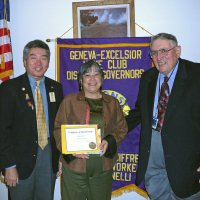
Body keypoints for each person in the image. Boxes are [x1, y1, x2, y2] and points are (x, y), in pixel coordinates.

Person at [126, 33, 200, 200]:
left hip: (185, 155)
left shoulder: (196, 74)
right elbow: (139, 112)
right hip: (153, 152)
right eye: (154, 52)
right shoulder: (148, 77)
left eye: (164, 50)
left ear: (178, 51)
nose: (158, 57)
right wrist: (111, 127)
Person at [54, 60, 128, 200]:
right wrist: (70, 149)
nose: (92, 79)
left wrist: (109, 140)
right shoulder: (69, 101)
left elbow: (122, 128)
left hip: (103, 167)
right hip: (74, 166)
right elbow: (58, 129)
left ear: (102, 78)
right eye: (87, 75)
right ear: (81, 80)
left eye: (96, 74)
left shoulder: (112, 102)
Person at [0, 39, 63, 200]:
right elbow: (2, 130)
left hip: (48, 157)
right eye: (33, 57)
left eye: (43, 58)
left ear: (48, 62)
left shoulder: (55, 88)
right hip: (19, 160)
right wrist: (9, 165)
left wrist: (61, 158)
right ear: (25, 61)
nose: (38, 63)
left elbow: (59, 126)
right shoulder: (9, 88)